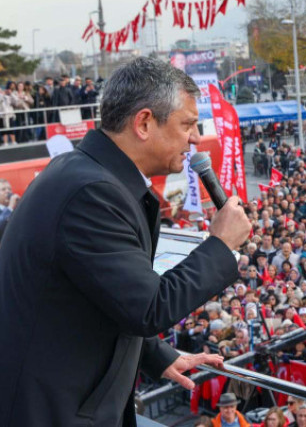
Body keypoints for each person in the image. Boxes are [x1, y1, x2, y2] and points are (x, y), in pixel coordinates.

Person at [0, 57, 251, 426]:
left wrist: (156, 355)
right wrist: (220, 244)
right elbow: (148, 307)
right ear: (145, 123)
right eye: (187, 124)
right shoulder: (92, 193)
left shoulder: (83, 174)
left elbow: (102, 292)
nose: (196, 137)